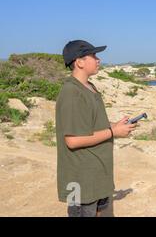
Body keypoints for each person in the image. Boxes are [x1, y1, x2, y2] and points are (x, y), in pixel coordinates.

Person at [56, 40, 136, 217]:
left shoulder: (90, 87)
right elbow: (73, 140)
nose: (98, 60)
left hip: (98, 175)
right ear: (79, 62)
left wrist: (113, 126)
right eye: (94, 56)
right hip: (82, 179)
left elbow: (89, 125)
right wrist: (113, 132)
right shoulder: (71, 92)